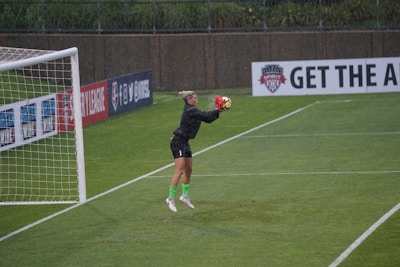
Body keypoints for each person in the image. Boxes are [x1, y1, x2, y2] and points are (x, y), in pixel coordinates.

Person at [166, 91, 225, 212]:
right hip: (178, 142)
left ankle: (184, 196)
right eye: (195, 98)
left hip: (185, 142)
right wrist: (218, 108)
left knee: (189, 170)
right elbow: (206, 115)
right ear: (189, 100)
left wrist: (219, 110)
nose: (196, 99)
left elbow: (208, 119)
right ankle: (170, 198)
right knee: (180, 170)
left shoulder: (193, 110)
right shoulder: (190, 110)